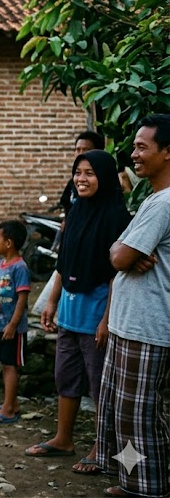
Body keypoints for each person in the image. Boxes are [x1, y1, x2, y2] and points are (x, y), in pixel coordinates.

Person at [26, 150, 131, 470]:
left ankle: (103, 447)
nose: (81, 179)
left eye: (90, 173)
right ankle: (63, 439)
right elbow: (64, 262)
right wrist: (52, 301)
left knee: (101, 384)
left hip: (96, 313)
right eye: (78, 172)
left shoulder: (116, 217)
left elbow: (117, 275)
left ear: (105, 177)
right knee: (65, 376)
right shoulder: (75, 211)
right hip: (69, 312)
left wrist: (106, 320)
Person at [99, 115, 170, 498]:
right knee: (125, 413)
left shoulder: (164, 204)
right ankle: (132, 482)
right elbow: (120, 249)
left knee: (139, 415)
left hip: (148, 326)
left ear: (168, 152)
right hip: (133, 324)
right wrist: (123, 252)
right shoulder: (153, 199)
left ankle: (149, 489)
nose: (134, 154)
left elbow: (119, 256)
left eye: (143, 147)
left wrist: (124, 253)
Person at [0, 220, 31, 424]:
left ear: (8, 243)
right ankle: (11, 403)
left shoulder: (20, 268)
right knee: (4, 364)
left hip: (12, 328)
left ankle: (8, 409)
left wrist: (13, 325)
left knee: (10, 365)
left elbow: (22, 299)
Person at [59, 130, 105, 212]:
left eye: (85, 149)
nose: (80, 153)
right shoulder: (73, 182)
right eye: (78, 149)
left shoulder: (105, 182)